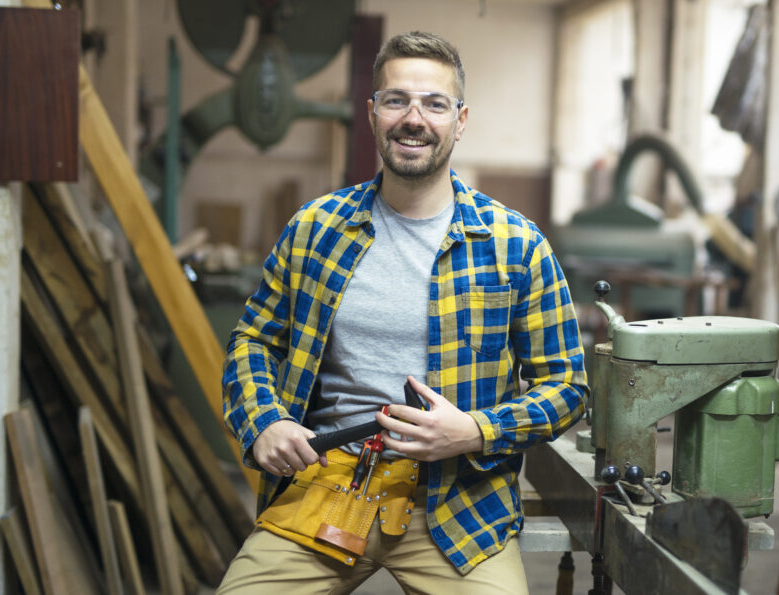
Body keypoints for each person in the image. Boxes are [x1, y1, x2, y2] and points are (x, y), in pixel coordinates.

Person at [219, 31, 588, 594]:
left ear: (460, 120)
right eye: (396, 100)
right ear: (372, 114)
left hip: (458, 503)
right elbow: (253, 340)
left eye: (434, 104)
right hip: (328, 481)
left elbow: (566, 385)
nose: (413, 118)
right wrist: (264, 419)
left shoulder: (516, 244)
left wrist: (475, 430)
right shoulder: (316, 229)